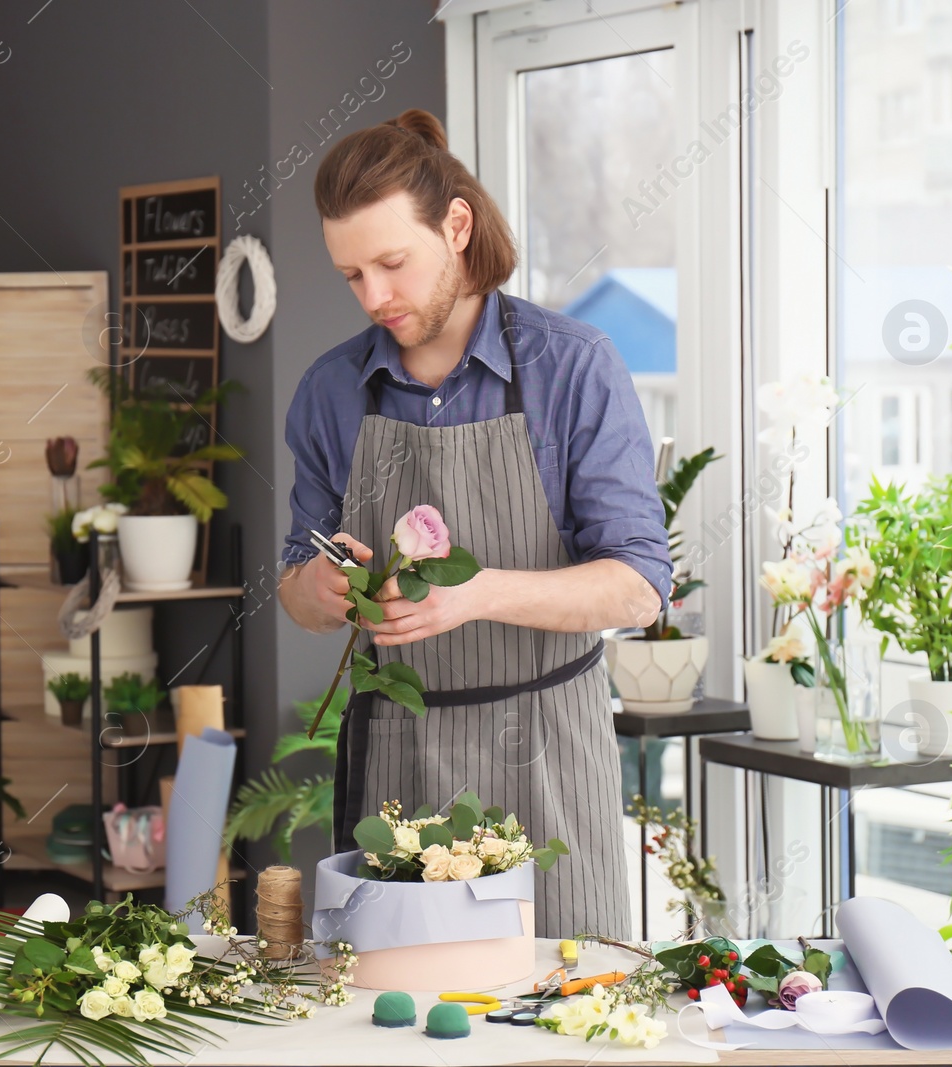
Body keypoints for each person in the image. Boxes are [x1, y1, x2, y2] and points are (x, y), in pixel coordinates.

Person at [277, 108, 673, 940]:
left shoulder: (571, 368)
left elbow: (638, 586)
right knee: (404, 1017)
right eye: (352, 275)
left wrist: (477, 591)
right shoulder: (330, 391)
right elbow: (294, 589)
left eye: (392, 262)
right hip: (398, 765)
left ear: (456, 225)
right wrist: (320, 588)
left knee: (568, 1012)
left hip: (550, 759)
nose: (375, 296)